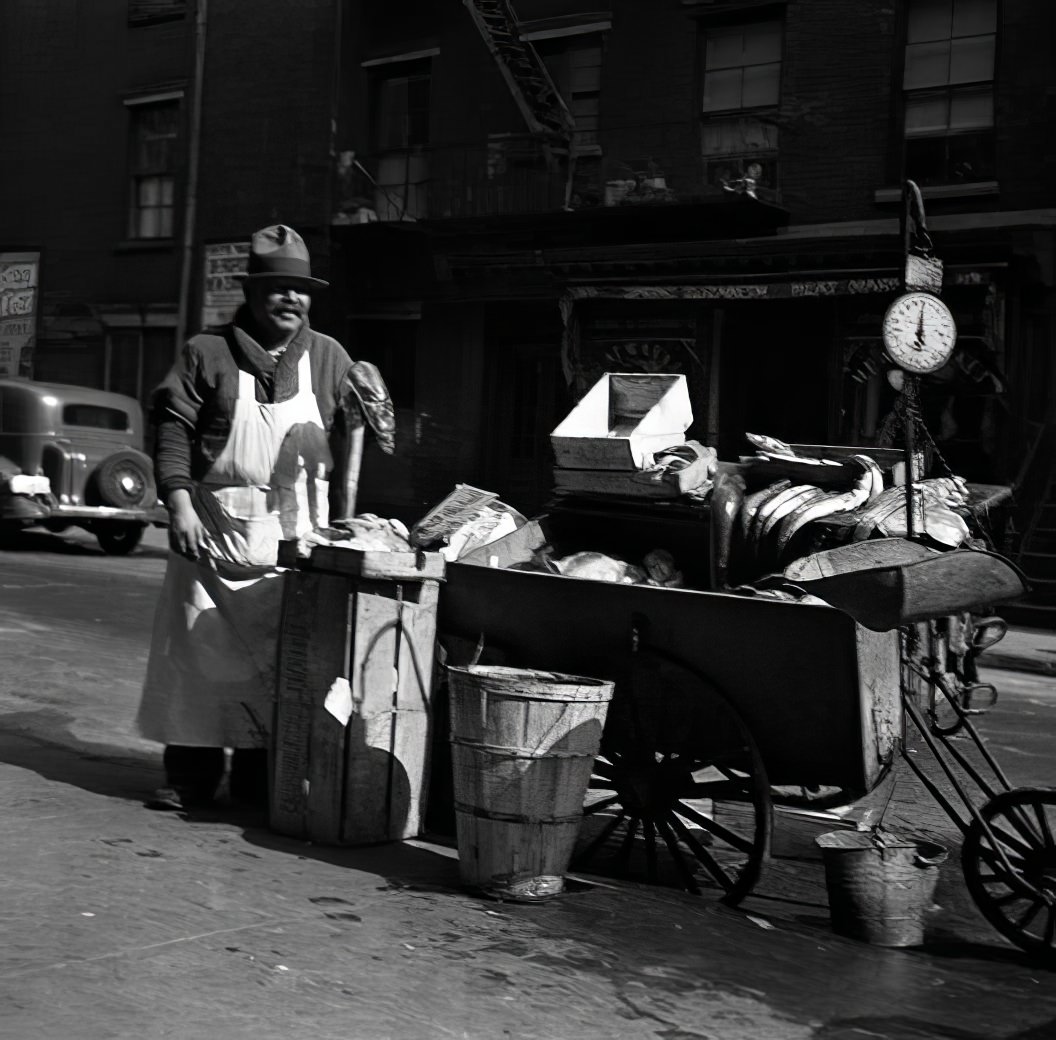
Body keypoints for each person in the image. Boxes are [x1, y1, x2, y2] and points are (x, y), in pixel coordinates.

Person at [136, 224, 395, 811]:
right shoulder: (207, 351)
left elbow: (359, 432)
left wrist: (367, 415)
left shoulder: (330, 357)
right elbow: (173, 429)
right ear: (252, 292)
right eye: (277, 287)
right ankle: (190, 781)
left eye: (300, 290)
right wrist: (177, 502)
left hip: (296, 534)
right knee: (197, 664)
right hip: (213, 527)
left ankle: (260, 784)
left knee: (281, 666)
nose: (290, 299)